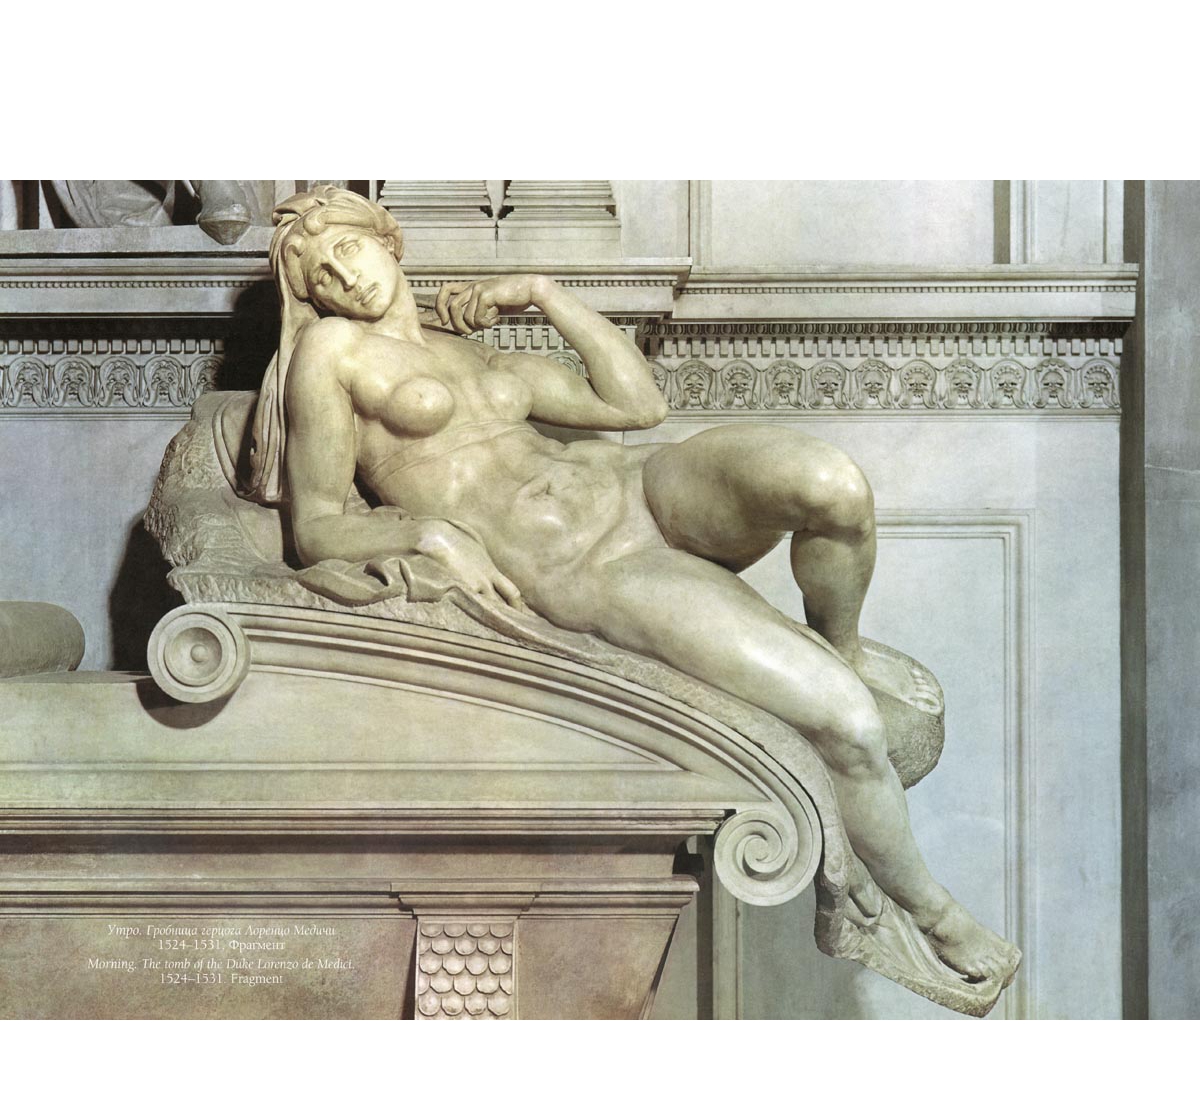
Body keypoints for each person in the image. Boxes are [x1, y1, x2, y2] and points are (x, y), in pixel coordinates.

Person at [245, 186, 1020, 990]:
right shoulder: (329, 352)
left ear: (388, 241)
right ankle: (936, 916)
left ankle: (843, 644)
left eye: (350, 249)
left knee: (833, 487)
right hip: (593, 566)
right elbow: (318, 526)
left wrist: (542, 293)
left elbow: (638, 404)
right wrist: (427, 534)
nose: (344, 278)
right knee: (849, 725)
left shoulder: (471, 352)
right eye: (321, 275)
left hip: (640, 486)